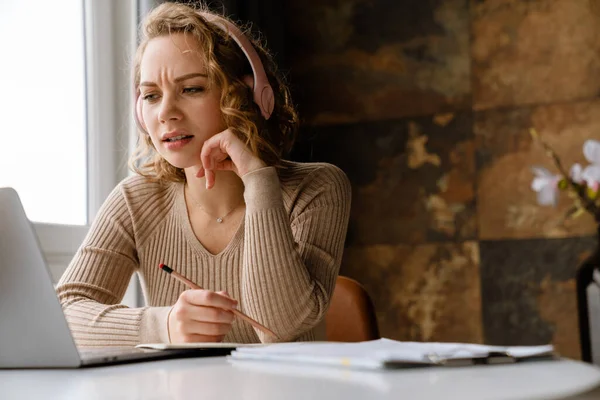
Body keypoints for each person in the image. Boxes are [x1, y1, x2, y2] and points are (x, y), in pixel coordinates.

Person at [56, 2, 351, 347]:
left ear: (248, 96)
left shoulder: (318, 188)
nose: (165, 112)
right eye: (151, 95)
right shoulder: (135, 199)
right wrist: (163, 325)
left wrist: (258, 181)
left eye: (191, 88)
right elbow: (63, 316)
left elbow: (280, 329)